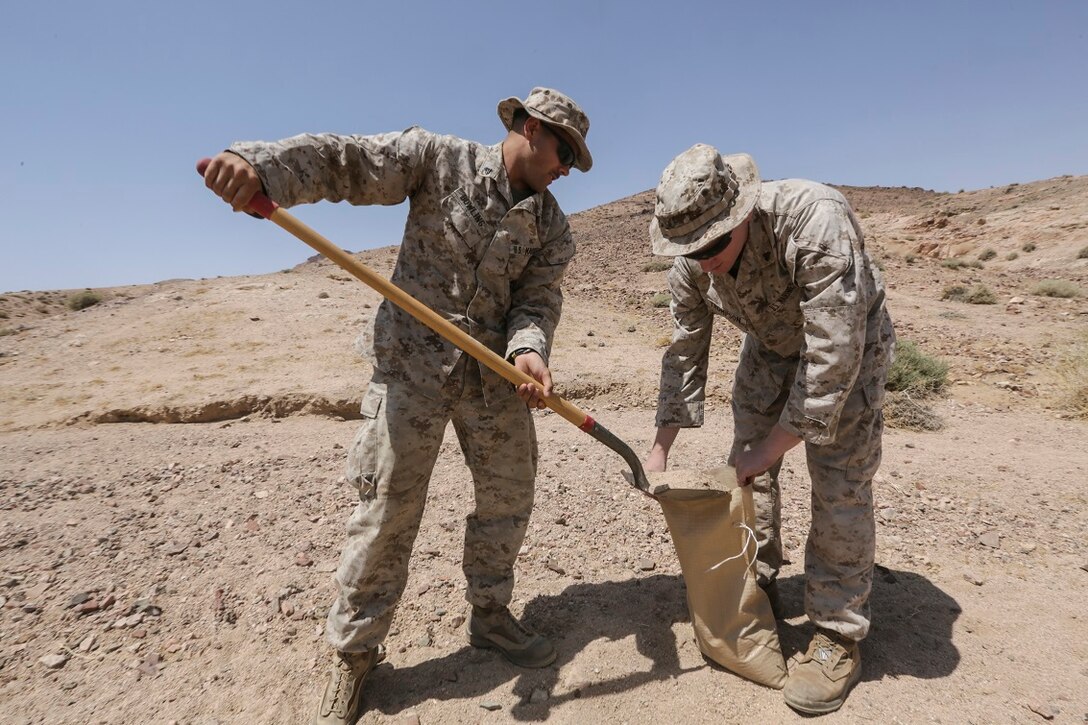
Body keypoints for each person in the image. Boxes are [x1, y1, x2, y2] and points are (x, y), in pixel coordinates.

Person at [201, 87, 592, 725]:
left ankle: (491, 616)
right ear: (527, 126)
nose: (566, 169)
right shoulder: (436, 160)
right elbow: (346, 161)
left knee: (508, 498)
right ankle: (353, 658)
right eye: (563, 151)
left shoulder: (552, 227)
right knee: (386, 512)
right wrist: (258, 166)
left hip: (493, 380)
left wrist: (528, 349)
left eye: (575, 160)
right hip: (411, 369)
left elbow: (537, 301)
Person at [643, 144, 895, 715]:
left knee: (840, 481)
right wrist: (660, 449)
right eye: (689, 249)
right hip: (771, 349)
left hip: (849, 349)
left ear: (743, 212)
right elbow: (685, 352)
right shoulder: (692, 259)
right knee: (750, 470)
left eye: (711, 246)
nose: (702, 260)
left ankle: (838, 632)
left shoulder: (814, 218)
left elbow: (833, 355)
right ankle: (759, 574)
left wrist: (774, 446)